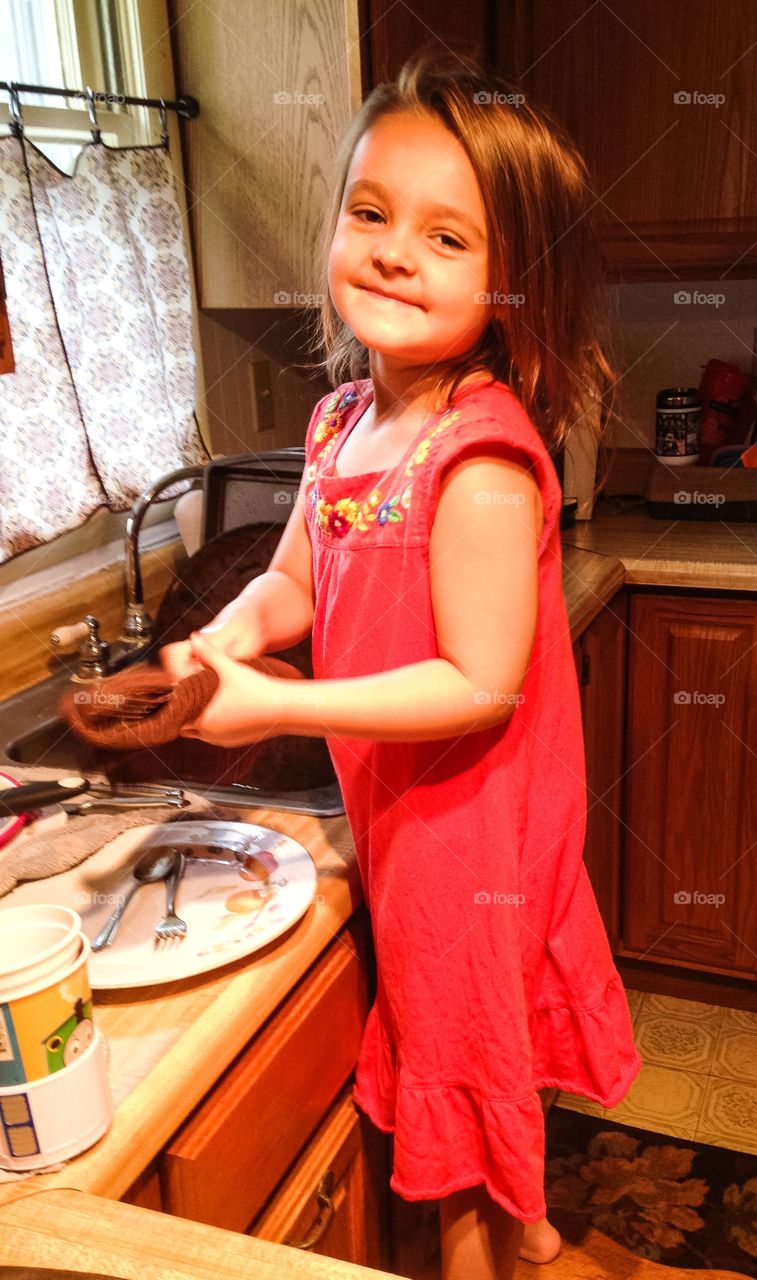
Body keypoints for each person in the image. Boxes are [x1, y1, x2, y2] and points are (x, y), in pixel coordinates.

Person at [162, 54, 642, 1280]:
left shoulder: (477, 456)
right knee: (471, 1064)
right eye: (370, 213)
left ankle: (505, 1247)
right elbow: (292, 581)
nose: (390, 251)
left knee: (460, 1105)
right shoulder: (338, 425)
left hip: (469, 838)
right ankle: (533, 1236)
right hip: (404, 818)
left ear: (509, 285)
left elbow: (478, 682)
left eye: (444, 235)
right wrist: (236, 638)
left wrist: (280, 700)